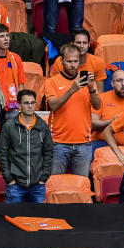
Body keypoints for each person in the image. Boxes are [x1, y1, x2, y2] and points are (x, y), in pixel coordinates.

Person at [45, 43, 100, 176]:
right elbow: (53, 106)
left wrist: (92, 88)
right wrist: (72, 90)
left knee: (81, 186)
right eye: (69, 61)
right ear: (62, 60)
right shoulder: (52, 81)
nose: (73, 65)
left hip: (84, 143)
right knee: (56, 185)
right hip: (58, 143)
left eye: (76, 61)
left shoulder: (87, 81)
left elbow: (97, 106)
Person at [0, 89, 53, 203]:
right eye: (26, 103)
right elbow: (2, 153)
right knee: (12, 217)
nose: (30, 106)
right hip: (15, 185)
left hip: (37, 186)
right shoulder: (9, 126)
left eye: (32, 103)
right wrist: (9, 179)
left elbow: (48, 152)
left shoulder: (42, 126)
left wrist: (43, 178)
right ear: (19, 105)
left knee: (37, 219)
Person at [92, 68, 124, 150]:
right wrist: (111, 122)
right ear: (112, 83)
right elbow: (93, 124)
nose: (123, 84)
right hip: (103, 143)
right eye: (119, 81)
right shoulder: (102, 98)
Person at [0, 24, 25, 113]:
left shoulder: (16, 58)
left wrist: (21, 103)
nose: (6, 39)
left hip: (13, 106)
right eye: (2, 36)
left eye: (7, 35)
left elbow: (21, 83)